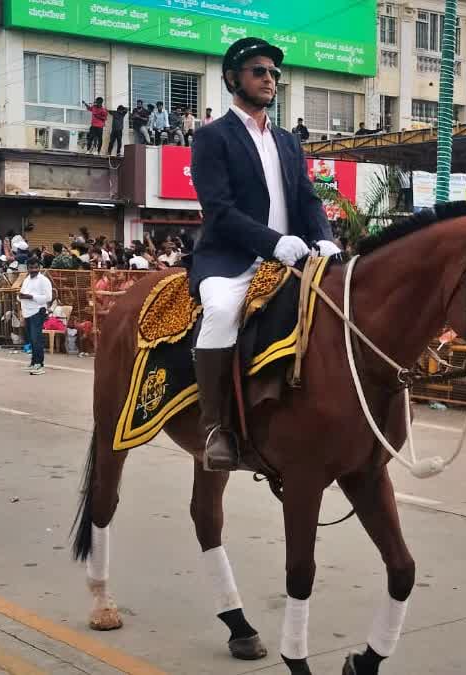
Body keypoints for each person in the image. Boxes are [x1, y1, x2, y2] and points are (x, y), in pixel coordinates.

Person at [189, 37, 337, 472]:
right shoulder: (211, 137)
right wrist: (271, 242)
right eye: (259, 71)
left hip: (292, 257)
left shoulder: (289, 141)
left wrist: (325, 236)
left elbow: (307, 199)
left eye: (273, 73)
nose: (270, 79)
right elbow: (219, 211)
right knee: (219, 311)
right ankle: (215, 426)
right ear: (234, 78)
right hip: (230, 259)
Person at [19, 258, 53, 376]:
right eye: (31, 267)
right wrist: (21, 297)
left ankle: (39, 364)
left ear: (39, 267)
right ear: (27, 268)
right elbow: (22, 294)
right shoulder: (26, 280)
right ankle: (33, 362)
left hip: (38, 311)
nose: (33, 270)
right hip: (27, 312)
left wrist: (31, 297)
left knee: (36, 338)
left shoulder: (44, 280)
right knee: (31, 339)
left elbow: (48, 297)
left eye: (35, 267)